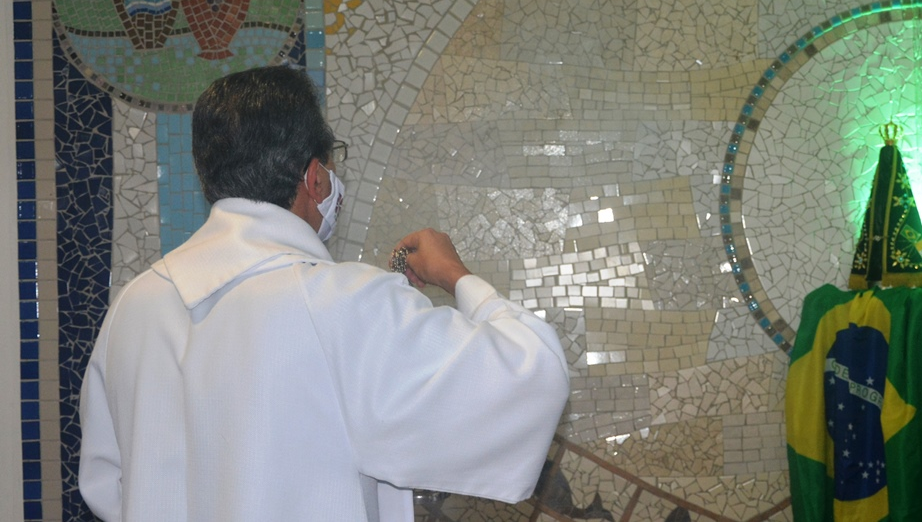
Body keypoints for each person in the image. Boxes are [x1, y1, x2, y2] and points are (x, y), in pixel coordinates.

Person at [78, 65, 570, 522]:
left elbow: (108, 487)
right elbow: (528, 378)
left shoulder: (133, 307)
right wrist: (454, 275)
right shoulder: (340, 301)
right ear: (315, 178)